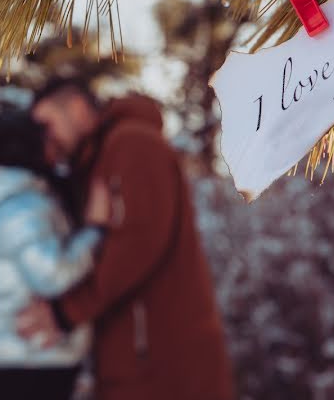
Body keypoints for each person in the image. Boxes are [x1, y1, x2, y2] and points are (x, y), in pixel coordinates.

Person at [17, 77, 235, 400]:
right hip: (138, 363)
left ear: (77, 109)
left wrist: (67, 311)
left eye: (47, 125)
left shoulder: (131, 143)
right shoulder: (100, 158)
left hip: (165, 370)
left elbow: (138, 245)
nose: (46, 141)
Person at [0, 109, 110, 400]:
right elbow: (51, 274)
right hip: (29, 359)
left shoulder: (2, 199)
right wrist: (94, 231)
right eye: (47, 142)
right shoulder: (20, 208)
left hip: (8, 357)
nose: (55, 151)